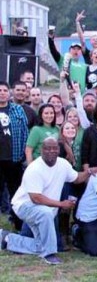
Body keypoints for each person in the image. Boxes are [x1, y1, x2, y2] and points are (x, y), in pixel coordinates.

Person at [0, 137, 97, 265]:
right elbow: (35, 198)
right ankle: (49, 254)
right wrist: (61, 204)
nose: (51, 151)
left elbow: (76, 178)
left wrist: (88, 172)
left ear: (59, 150)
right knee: (46, 214)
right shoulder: (34, 168)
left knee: (41, 243)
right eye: (47, 148)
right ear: (41, 150)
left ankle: (7, 239)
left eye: (54, 148)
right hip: (24, 206)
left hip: (44, 209)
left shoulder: (63, 164)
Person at [0, 81, 29, 230]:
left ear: (9, 93)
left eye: (5, 90)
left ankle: (18, 223)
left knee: (16, 193)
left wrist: (24, 154)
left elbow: (25, 132)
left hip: (14, 158)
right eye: (0, 90)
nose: (2, 92)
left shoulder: (17, 109)